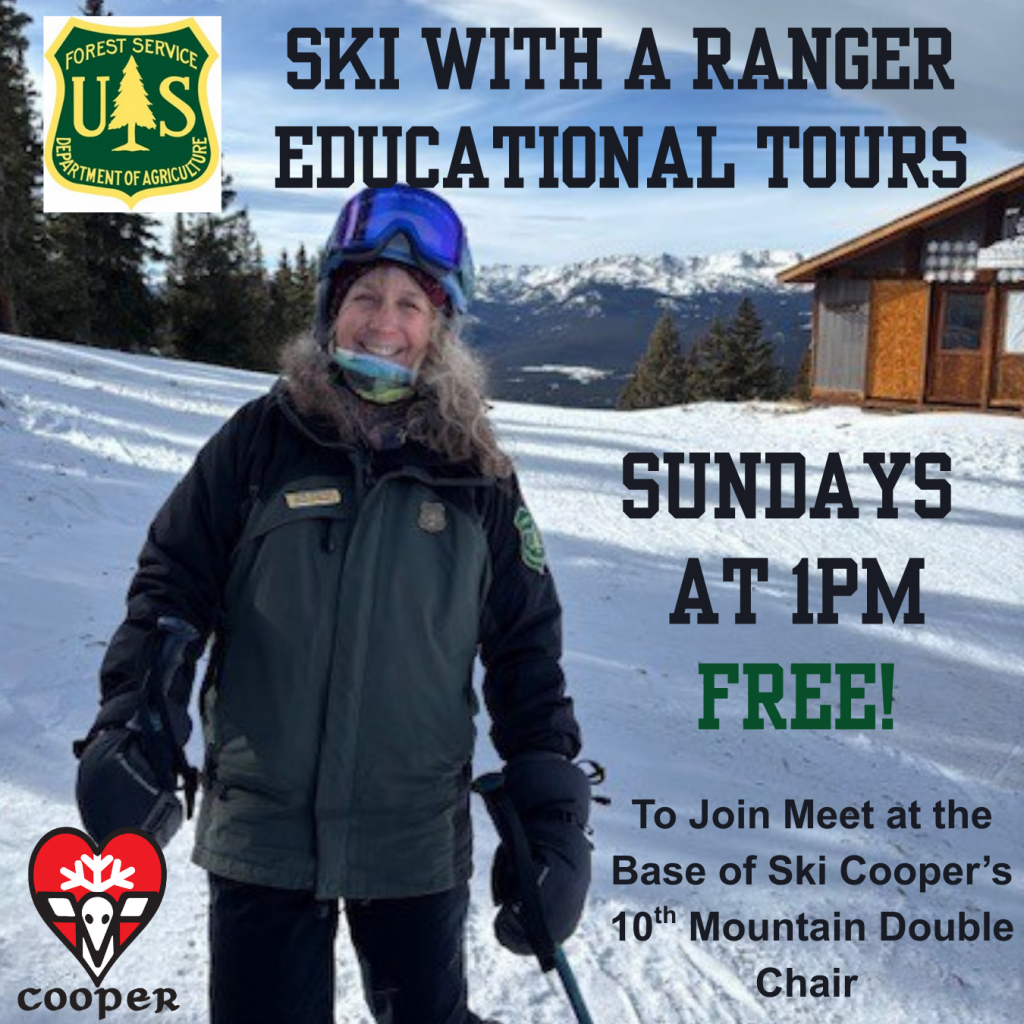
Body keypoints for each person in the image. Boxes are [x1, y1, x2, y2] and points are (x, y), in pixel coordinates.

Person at [74, 184, 592, 1024]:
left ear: (440, 330)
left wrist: (555, 809)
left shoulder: (479, 475)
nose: (384, 321)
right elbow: (171, 586)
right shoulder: (258, 442)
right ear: (330, 308)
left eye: (409, 305)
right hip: (262, 834)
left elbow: (526, 648)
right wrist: (136, 715)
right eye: (364, 297)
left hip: (412, 839)